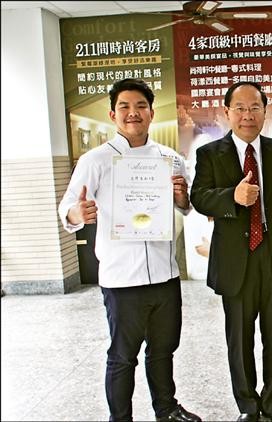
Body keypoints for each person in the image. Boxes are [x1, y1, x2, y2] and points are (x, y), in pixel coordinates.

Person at [58, 78, 202, 422]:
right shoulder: (96, 160)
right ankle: (119, 418)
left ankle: (166, 409)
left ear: (152, 114)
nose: (133, 113)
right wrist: (78, 213)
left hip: (165, 274)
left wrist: (183, 198)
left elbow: (185, 206)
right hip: (121, 278)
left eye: (140, 106)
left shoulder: (170, 159)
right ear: (113, 114)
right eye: (125, 107)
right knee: (123, 356)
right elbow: (67, 207)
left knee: (164, 349)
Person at [190, 81, 272, 422]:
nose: (247, 115)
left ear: (265, 111)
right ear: (226, 112)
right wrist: (232, 197)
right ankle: (247, 405)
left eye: (254, 107)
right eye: (239, 108)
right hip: (234, 260)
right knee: (239, 340)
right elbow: (199, 196)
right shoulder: (209, 153)